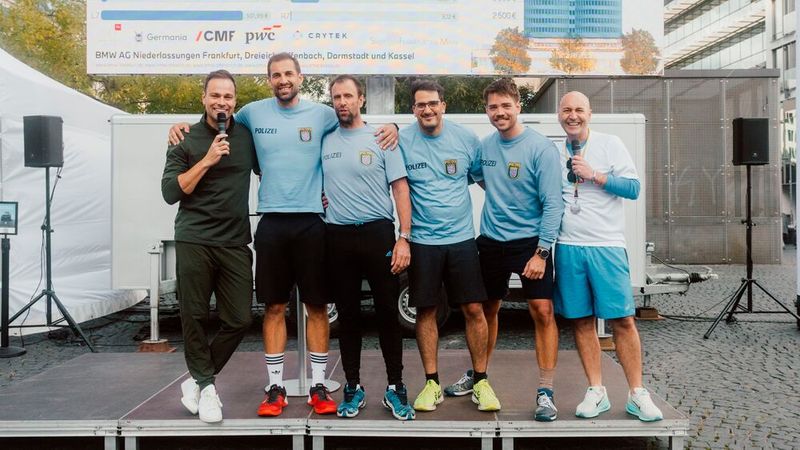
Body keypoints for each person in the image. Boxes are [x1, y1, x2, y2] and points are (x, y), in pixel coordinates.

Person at [168, 53, 398, 418]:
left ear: (300, 77)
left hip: (312, 223)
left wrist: (392, 128)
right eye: (276, 75)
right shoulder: (250, 115)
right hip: (272, 223)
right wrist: (181, 126)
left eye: (288, 73)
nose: (283, 80)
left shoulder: (323, 114)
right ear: (269, 80)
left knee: (317, 306)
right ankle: (274, 386)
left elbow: (355, 121)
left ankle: (319, 385)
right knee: (273, 307)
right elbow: (213, 121)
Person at [444, 78, 563, 421]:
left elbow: (553, 204)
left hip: (530, 244)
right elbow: (477, 175)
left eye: (505, 106)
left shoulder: (540, 148)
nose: (499, 112)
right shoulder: (485, 146)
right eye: (493, 107)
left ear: (518, 106)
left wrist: (541, 253)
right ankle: (478, 376)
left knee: (542, 311)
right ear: (487, 110)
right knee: (484, 310)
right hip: (492, 240)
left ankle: (545, 390)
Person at [554, 91, 663, 422]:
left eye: (579, 110)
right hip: (568, 246)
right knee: (582, 320)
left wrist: (595, 175)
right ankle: (596, 391)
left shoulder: (609, 143)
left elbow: (632, 189)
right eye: (567, 110)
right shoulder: (552, 150)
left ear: (590, 113)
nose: (573, 115)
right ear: (559, 115)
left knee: (624, 320)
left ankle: (636, 393)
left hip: (607, 245)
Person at [161, 70, 258, 423]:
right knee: (195, 317)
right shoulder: (184, 138)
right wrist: (207, 160)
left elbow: (277, 166)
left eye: (228, 97)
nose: (221, 103)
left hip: (234, 240)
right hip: (194, 239)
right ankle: (207, 388)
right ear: (204, 97)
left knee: (239, 318)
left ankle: (199, 382)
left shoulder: (247, 137)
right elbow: (171, 192)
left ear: (235, 101)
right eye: (215, 95)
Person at [400, 79, 500, 413]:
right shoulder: (401, 140)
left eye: (432, 103)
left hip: (461, 240)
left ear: (443, 105)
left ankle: (481, 381)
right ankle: (431, 383)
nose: (426, 109)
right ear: (413, 109)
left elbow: (487, 182)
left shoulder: (467, 140)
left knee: (474, 310)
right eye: (419, 105)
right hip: (423, 242)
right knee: (426, 311)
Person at [321, 75, 415, 421]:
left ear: (361, 99)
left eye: (348, 96)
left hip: (378, 233)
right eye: (336, 97)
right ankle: (353, 386)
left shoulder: (382, 137)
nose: (342, 102)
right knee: (347, 316)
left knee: (388, 313)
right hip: (337, 236)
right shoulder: (324, 139)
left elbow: (401, 189)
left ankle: (395, 387)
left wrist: (404, 237)